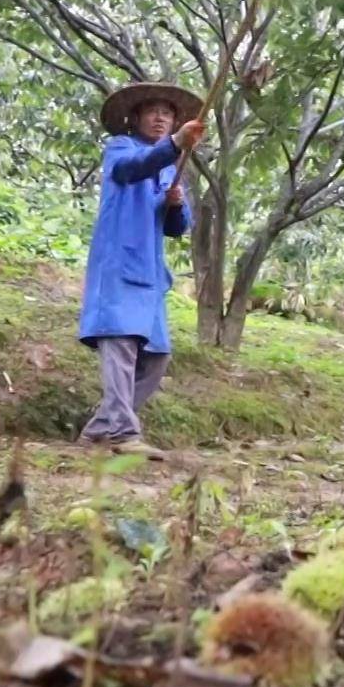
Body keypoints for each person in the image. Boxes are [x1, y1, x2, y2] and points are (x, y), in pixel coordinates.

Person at [77, 82, 205, 459]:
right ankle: (121, 432)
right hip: (118, 266)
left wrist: (176, 205)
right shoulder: (121, 149)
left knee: (156, 355)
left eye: (167, 112)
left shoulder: (172, 168)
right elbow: (133, 170)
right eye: (152, 111)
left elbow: (177, 229)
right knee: (121, 346)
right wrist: (175, 145)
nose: (160, 117)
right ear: (134, 118)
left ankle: (100, 428)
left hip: (149, 276)